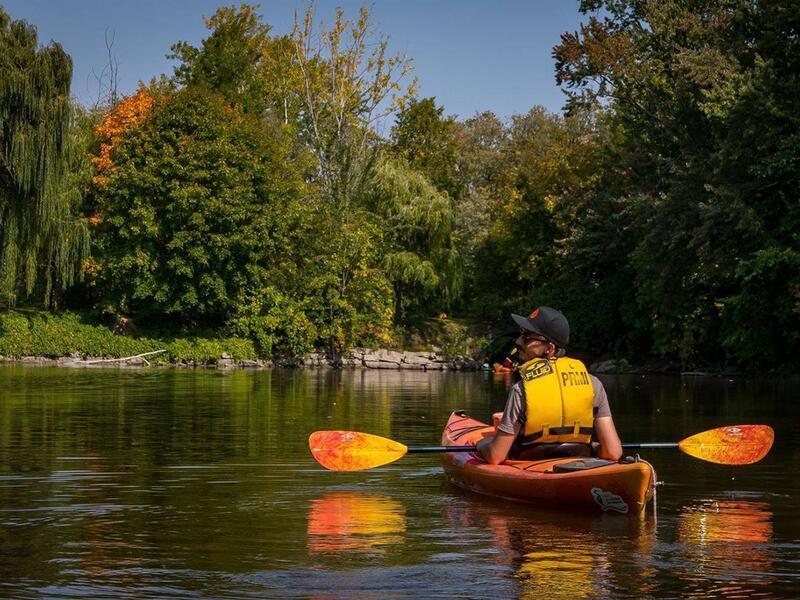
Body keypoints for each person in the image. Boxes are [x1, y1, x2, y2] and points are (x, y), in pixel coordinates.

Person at [477, 307, 622, 464]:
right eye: (521, 334)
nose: (518, 341)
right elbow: (613, 452)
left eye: (527, 337)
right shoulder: (594, 385)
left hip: (531, 468)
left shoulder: (521, 390)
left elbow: (495, 456)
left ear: (550, 348)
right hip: (579, 465)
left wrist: (481, 445)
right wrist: (592, 448)